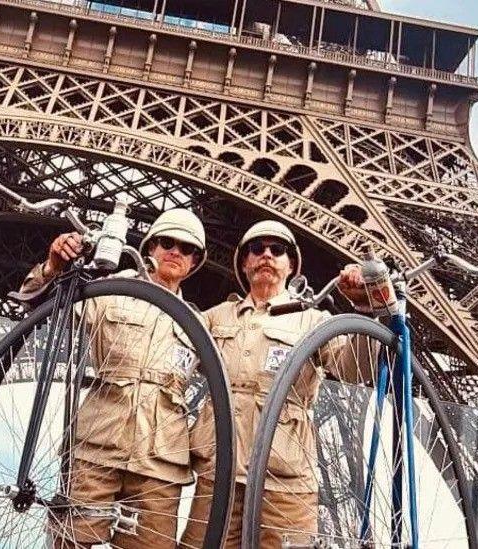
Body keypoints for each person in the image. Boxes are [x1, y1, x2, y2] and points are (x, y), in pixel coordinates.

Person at [19, 209, 207, 548]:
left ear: (195, 262)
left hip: (160, 465)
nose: (176, 251)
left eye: (187, 247)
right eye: (167, 242)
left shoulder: (201, 325)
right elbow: (37, 306)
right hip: (97, 449)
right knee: (68, 543)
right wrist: (52, 267)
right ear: (151, 247)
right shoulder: (110, 291)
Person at [180, 220, 372, 548]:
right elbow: (164, 354)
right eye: (257, 249)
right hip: (220, 475)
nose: (266, 255)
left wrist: (367, 309)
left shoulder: (313, 321)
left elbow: (354, 369)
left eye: (277, 250)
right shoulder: (215, 318)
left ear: (291, 264)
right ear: (244, 261)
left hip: (286, 482)